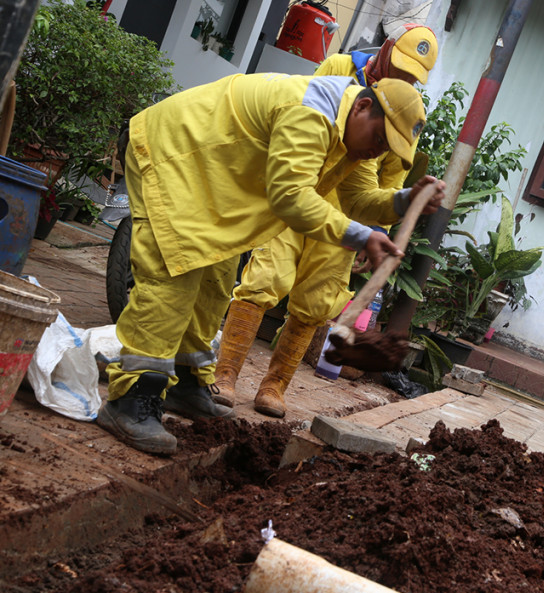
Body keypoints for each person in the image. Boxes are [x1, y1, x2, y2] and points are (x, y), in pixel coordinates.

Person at [96, 73, 444, 455]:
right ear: (362, 107)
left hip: (214, 179)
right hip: (176, 154)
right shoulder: (310, 113)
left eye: (386, 148)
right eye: (379, 139)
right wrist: (361, 236)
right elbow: (290, 197)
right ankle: (131, 399)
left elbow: (358, 199)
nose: (376, 152)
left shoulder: (352, 139)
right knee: (173, 279)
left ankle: (185, 381)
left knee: (216, 282)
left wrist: (404, 200)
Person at [212, 24, 440, 418]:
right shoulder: (338, 67)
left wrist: (376, 233)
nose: (402, 78)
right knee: (265, 278)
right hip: (298, 189)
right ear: (386, 49)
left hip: (349, 209)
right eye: (399, 67)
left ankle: (275, 385)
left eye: (411, 77)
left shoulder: (407, 110)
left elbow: (390, 180)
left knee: (317, 300)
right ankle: (225, 373)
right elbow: (303, 122)